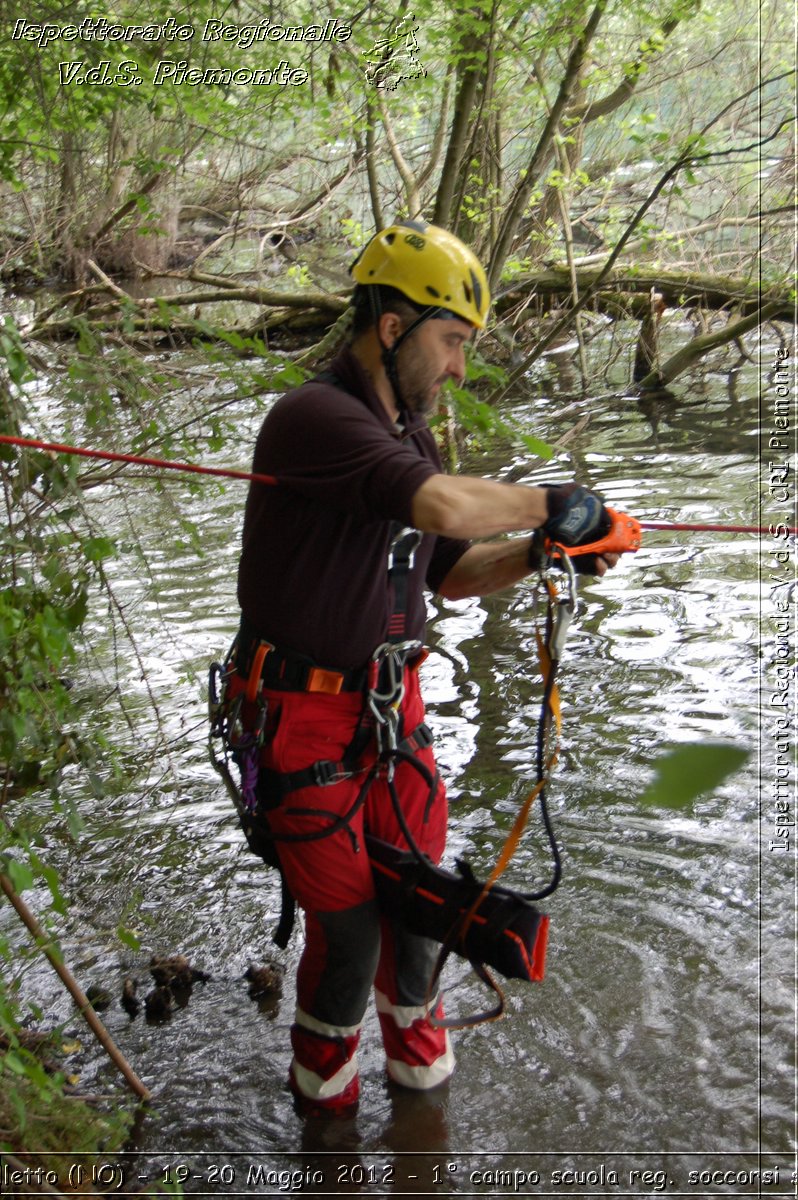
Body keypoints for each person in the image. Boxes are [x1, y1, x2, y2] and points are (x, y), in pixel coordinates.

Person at [234, 219, 618, 1117]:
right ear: (394, 326)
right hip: (302, 716)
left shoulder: (410, 439)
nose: (458, 368)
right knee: (352, 934)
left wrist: (544, 550)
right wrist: (560, 501)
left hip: (388, 712)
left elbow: (452, 576)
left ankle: (423, 1118)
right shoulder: (316, 419)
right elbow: (442, 502)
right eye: (451, 342)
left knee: (418, 918)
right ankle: (326, 1130)